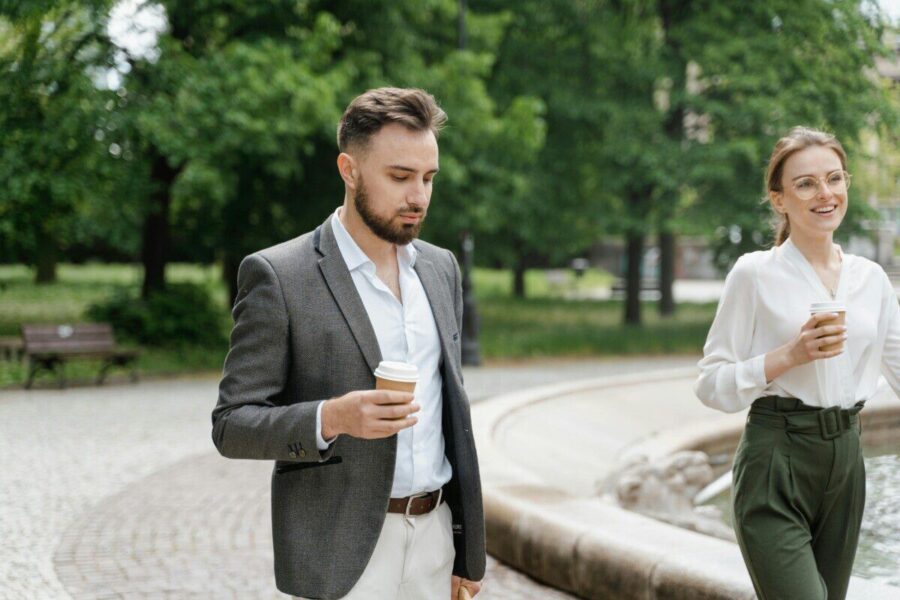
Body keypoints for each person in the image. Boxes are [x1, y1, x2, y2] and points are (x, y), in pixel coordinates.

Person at [212, 87, 485, 600]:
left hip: (434, 541)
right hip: (340, 554)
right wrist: (332, 419)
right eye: (400, 177)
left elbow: (454, 415)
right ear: (349, 169)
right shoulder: (279, 276)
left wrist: (466, 552)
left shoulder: (440, 267)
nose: (419, 197)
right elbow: (231, 425)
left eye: (429, 178)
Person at [694, 126, 900, 600]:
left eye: (834, 178)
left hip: (846, 458)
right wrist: (788, 356)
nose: (824, 193)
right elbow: (710, 384)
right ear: (779, 199)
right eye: (806, 183)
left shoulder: (870, 279)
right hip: (775, 457)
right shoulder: (754, 274)